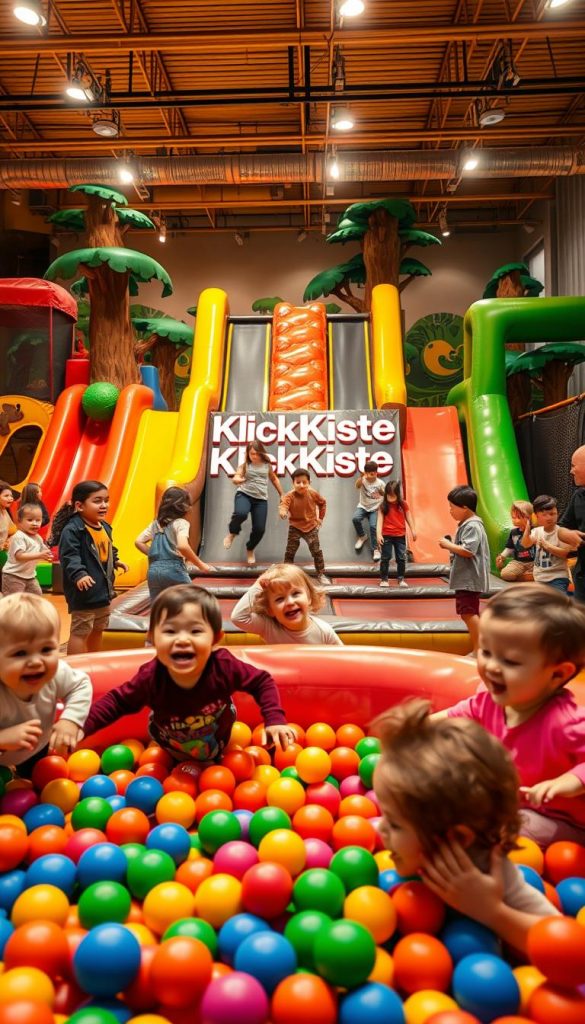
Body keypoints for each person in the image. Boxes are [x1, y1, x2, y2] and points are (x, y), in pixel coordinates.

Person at [373, 699, 559, 953]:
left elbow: (565, 946)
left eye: (394, 824)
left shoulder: (490, 872)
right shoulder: (407, 854)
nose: (379, 829)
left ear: (458, 837)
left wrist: (492, 911)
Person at [433, 584, 585, 849]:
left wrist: (568, 782)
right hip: (511, 803)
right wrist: (414, 728)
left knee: (512, 827)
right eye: (486, 652)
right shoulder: (488, 700)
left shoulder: (566, 723)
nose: (491, 666)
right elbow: (454, 716)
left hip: (562, 821)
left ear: (558, 674)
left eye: (510, 661)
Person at [82, 584, 296, 763]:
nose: (182, 639)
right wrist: (81, 725)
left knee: (214, 759)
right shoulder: (151, 677)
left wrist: (274, 719)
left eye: (195, 631)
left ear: (215, 639)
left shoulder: (223, 666)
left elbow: (261, 681)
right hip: (170, 740)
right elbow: (117, 701)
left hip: (219, 733)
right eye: (170, 631)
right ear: (152, 638)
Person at [0, 594, 92, 774]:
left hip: (36, 745)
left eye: (46, 649)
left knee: (34, 780)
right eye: (20, 653)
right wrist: (3, 738)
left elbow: (80, 685)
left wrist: (70, 720)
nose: (36, 661)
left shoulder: (56, 673)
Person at [50, 480, 129, 656]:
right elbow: (70, 556)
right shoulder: (73, 530)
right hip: (84, 589)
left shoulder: (105, 527)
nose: (104, 505)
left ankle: (94, 659)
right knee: (81, 631)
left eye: (106, 500)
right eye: (97, 501)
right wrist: (79, 574)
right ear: (79, 505)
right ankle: (76, 666)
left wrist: (115, 560)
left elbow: (108, 548)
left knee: (99, 628)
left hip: (103, 589)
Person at [231, 563, 343, 645]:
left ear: (309, 598)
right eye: (279, 599)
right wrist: (259, 584)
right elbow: (238, 618)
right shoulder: (268, 627)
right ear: (270, 610)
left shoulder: (323, 631)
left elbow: (343, 660)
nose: (290, 602)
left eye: (296, 594)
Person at [135, 486, 212, 601]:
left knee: (159, 607)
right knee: (192, 602)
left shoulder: (155, 524)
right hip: (174, 568)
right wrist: (201, 565)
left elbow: (138, 541)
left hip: (153, 571)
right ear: (183, 507)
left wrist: (155, 555)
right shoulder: (181, 523)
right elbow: (183, 546)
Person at [438, 485, 490, 654]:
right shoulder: (467, 524)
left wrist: (448, 545)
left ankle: (480, 649)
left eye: (452, 507)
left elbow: (468, 551)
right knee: (469, 612)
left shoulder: (472, 525)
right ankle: (480, 647)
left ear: (465, 508)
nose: (450, 511)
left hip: (469, 579)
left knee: (468, 613)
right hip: (467, 578)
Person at [223, 440, 283, 566]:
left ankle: (250, 548)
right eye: (251, 454)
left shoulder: (267, 465)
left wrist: (281, 494)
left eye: (256, 453)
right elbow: (236, 477)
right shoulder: (245, 465)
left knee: (260, 529)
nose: (254, 456)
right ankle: (232, 533)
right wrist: (239, 479)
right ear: (248, 454)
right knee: (241, 514)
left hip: (261, 499)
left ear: (261, 453)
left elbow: (274, 479)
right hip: (244, 494)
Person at [279, 469, 329, 586]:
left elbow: (323, 503)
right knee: (290, 552)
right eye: (298, 482)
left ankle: (321, 574)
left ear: (309, 483)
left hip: (311, 527)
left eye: (304, 482)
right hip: (295, 527)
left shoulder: (312, 493)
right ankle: (287, 574)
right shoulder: (289, 496)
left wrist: (320, 518)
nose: (301, 485)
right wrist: (283, 512)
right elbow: (283, 505)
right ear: (293, 483)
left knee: (316, 551)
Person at [520, 494, 572, 595]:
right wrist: (527, 527)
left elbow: (566, 554)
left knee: (556, 604)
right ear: (537, 516)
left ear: (557, 513)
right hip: (540, 577)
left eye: (553, 514)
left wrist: (547, 546)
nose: (549, 517)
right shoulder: (537, 531)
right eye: (544, 515)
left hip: (558, 577)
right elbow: (525, 544)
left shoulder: (561, 532)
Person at [2, 503, 53, 596]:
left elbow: (43, 549)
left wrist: (48, 555)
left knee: (36, 598)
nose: (34, 523)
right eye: (30, 520)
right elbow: (19, 556)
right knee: (13, 601)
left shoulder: (37, 537)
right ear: (20, 521)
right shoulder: (19, 536)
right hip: (13, 576)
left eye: (38, 520)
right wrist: (40, 555)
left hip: (30, 577)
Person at [556, 443, 585, 602]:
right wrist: (568, 534)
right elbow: (561, 528)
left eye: (574, 466)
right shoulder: (579, 496)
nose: (571, 470)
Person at [376, 480, 416, 589]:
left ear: (398, 494)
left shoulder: (403, 504)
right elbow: (379, 521)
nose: (391, 497)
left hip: (400, 535)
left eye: (393, 495)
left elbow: (408, 517)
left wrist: (413, 530)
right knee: (385, 557)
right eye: (389, 495)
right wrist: (378, 535)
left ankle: (401, 578)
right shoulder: (383, 505)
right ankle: (384, 579)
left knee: (401, 558)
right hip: (387, 535)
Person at [353, 461, 385, 562]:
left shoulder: (380, 483)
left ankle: (376, 549)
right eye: (371, 473)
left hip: (375, 508)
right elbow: (357, 486)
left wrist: (382, 493)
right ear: (366, 473)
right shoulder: (363, 480)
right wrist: (361, 477)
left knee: (373, 526)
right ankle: (362, 536)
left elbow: (385, 494)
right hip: (363, 506)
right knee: (355, 519)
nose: (373, 475)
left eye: (375, 472)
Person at [495, 500, 535, 582]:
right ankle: (526, 576)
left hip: (534, 562)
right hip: (519, 562)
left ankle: (528, 575)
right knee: (505, 574)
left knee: (543, 573)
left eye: (518, 517)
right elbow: (510, 548)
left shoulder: (534, 530)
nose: (514, 520)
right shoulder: (513, 532)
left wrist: (527, 528)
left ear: (528, 517)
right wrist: (502, 556)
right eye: (513, 517)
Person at [0, 481, 16, 553]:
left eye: (11, 496)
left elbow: (12, 530)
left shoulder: (5, 511)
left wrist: (9, 540)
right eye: (6, 496)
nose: (10, 498)